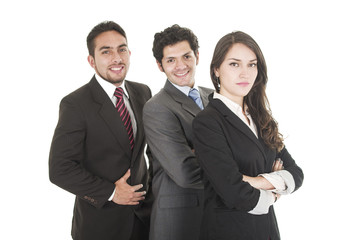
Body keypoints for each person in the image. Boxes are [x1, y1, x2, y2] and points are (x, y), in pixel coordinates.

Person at [192, 31, 304, 240]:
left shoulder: (261, 118)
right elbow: (232, 190)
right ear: (216, 69)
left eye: (252, 64)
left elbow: (296, 174)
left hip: (267, 231)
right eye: (235, 64)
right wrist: (274, 191)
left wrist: (253, 180)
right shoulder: (208, 122)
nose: (245, 73)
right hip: (229, 232)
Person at [49, 21, 153, 240]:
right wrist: (112, 192)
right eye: (106, 51)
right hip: (101, 225)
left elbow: (150, 149)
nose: (117, 58)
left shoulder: (142, 92)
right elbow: (60, 169)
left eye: (121, 49)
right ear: (91, 60)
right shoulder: (75, 104)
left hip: (144, 219)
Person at [142, 24, 213, 240]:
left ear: (197, 56)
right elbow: (186, 172)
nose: (180, 66)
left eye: (186, 56)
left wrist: (199, 151)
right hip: (179, 221)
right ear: (159, 65)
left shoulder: (216, 98)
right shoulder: (157, 107)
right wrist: (230, 167)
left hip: (216, 216)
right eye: (171, 60)